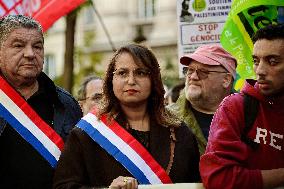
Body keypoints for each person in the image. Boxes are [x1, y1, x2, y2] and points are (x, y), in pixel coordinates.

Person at [53, 44, 200, 189]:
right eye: (122, 73)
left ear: (154, 79)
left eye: (141, 73)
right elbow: (63, 186)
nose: (131, 81)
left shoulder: (181, 133)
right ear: (111, 79)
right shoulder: (86, 134)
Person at [0, 15, 82, 189]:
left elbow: (79, 169)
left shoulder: (66, 104)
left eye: (37, 46)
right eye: (18, 45)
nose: (30, 54)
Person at [200, 24, 284, 189]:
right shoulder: (235, 107)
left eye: (272, 61)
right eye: (255, 61)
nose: (260, 70)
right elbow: (218, 178)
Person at [169, 44, 236, 155]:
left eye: (203, 72)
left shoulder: (250, 117)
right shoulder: (166, 118)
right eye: (190, 70)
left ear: (226, 80)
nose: (193, 77)